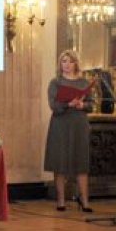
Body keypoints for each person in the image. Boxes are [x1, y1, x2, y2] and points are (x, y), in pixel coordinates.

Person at [44, 50, 93, 212]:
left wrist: (83, 105)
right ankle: (61, 200)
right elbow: (54, 106)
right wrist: (68, 104)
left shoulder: (84, 82)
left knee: (81, 162)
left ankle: (85, 200)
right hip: (61, 124)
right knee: (60, 162)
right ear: (60, 64)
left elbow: (91, 105)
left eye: (70, 61)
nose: (67, 64)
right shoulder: (55, 82)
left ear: (76, 64)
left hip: (79, 124)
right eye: (64, 61)